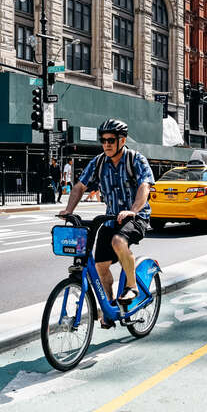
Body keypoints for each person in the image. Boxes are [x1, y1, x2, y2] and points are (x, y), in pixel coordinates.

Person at [59, 119, 154, 322]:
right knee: (101, 266)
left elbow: (144, 186)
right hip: (111, 220)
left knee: (119, 241)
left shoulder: (135, 159)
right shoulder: (99, 162)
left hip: (137, 217)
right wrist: (68, 210)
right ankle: (110, 308)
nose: (107, 144)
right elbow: (79, 187)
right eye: (103, 140)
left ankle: (132, 286)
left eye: (111, 140)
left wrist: (133, 210)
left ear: (122, 140)